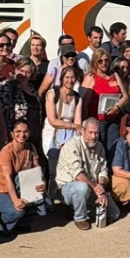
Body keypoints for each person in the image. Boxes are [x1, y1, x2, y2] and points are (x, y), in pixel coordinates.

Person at [56, 119, 119, 230]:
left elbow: (103, 171)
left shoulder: (99, 146)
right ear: (83, 131)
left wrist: (102, 187)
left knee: (114, 213)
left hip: (92, 187)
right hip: (68, 187)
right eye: (90, 132)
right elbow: (78, 175)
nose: (93, 136)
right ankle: (80, 217)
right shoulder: (72, 145)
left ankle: (81, 208)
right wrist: (97, 189)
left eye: (96, 133)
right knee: (82, 187)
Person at [0, 120, 47, 237]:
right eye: (18, 131)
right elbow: (7, 178)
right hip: (2, 190)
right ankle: (3, 225)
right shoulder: (6, 152)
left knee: (44, 200)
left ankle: (21, 223)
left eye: (25, 131)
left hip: (22, 186)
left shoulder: (31, 147)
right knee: (16, 211)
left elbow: (37, 170)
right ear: (12, 134)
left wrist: (43, 183)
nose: (22, 135)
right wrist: (16, 200)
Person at [0, 59, 45, 177]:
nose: (24, 75)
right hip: (14, 136)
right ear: (15, 70)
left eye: (28, 72)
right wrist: (3, 136)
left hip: (32, 136)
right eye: (21, 71)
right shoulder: (7, 86)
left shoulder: (31, 88)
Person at [43, 65, 83, 201]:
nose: (70, 80)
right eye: (67, 77)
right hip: (53, 132)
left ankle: (66, 197)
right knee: (53, 169)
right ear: (62, 79)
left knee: (70, 166)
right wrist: (72, 125)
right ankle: (51, 198)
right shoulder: (52, 94)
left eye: (72, 77)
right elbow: (53, 120)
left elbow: (78, 121)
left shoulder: (77, 98)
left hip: (70, 134)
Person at [82, 49, 128, 157]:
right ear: (95, 62)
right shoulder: (91, 78)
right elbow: (84, 103)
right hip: (97, 120)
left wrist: (117, 107)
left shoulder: (114, 75)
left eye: (106, 60)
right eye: (100, 61)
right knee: (99, 148)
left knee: (113, 148)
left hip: (113, 118)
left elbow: (125, 96)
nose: (104, 63)